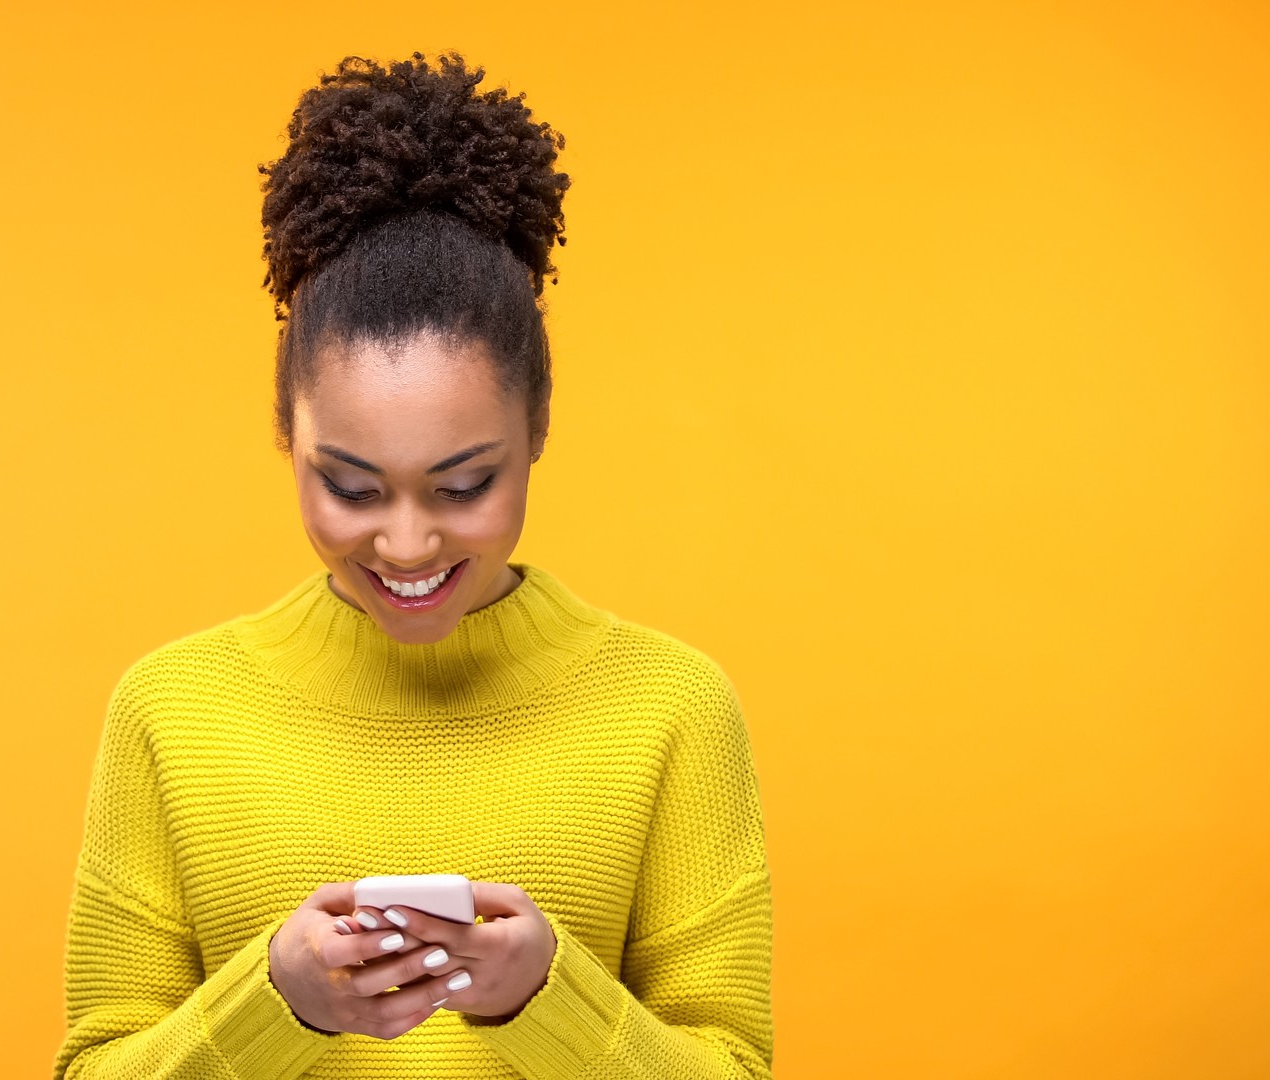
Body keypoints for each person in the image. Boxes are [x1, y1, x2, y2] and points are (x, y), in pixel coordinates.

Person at [52, 51, 773, 1080]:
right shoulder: (170, 713)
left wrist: (544, 999)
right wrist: (277, 1006)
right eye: (349, 487)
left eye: (463, 484)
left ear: (536, 432)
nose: (405, 545)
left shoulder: (671, 709)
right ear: (282, 437)